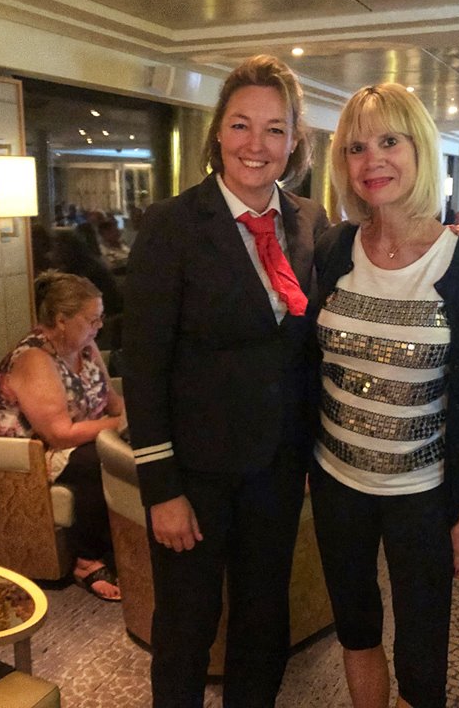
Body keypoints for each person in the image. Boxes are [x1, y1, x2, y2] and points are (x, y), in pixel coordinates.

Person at [122, 55, 329, 707]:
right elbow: (144, 364)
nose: (255, 145)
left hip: (274, 470)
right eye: (241, 125)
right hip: (196, 477)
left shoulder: (306, 222)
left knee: (265, 622)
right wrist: (161, 489)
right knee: (186, 626)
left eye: (274, 129)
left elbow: (301, 352)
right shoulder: (172, 226)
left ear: (294, 141)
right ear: (218, 132)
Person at [311, 82, 459, 708]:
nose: (372, 161)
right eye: (356, 147)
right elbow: (310, 369)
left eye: (390, 141)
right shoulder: (333, 249)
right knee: (357, 631)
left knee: (422, 655)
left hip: (422, 494)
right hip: (337, 484)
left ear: (420, 149)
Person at [0, 270, 125, 602]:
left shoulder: (85, 347)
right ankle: (87, 562)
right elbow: (59, 434)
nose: (99, 326)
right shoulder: (35, 358)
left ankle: (129, 546)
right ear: (61, 320)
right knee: (97, 460)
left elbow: (114, 404)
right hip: (29, 452)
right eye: (92, 320)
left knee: (131, 450)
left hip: (72, 437)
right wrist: (120, 427)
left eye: (100, 318)